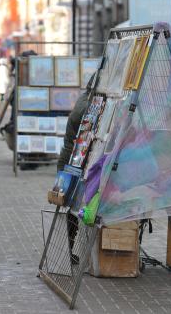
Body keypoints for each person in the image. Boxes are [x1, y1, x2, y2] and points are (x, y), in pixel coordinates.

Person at [57, 73, 96, 264]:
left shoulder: (85, 98)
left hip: (70, 162)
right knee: (71, 208)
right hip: (71, 164)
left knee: (72, 208)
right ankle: (69, 250)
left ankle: (70, 249)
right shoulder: (87, 106)